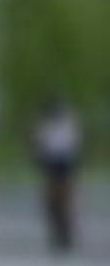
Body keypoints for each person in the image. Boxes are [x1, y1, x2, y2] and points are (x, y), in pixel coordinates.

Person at [33, 96, 83, 254]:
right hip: (51, 166)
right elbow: (40, 147)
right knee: (51, 202)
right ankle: (56, 232)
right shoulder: (45, 125)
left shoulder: (68, 123)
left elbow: (75, 146)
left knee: (66, 201)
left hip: (66, 165)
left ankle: (67, 234)